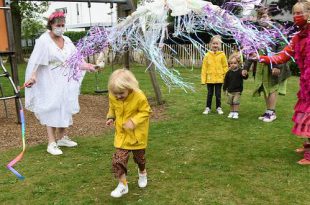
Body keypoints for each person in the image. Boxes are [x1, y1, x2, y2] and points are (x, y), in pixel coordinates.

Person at [24, 11, 95, 155]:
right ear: (51, 24)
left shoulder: (67, 40)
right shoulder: (43, 40)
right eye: (58, 25)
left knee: (65, 105)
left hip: (66, 79)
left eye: (63, 25)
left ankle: (62, 137)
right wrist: (32, 76)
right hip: (49, 79)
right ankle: (51, 142)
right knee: (52, 106)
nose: (61, 28)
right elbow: (36, 61)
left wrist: (89, 66)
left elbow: (76, 60)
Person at [258, 1, 310, 164]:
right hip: (306, 83)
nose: (295, 17)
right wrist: (262, 58)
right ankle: (308, 145)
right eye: (294, 13)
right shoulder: (297, 37)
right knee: (305, 113)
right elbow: (283, 55)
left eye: (299, 13)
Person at [106, 69, 152, 198]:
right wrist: (111, 117)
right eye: (115, 94)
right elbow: (112, 107)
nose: (118, 96)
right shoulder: (113, 95)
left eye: (121, 93)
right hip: (121, 134)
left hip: (137, 135)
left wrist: (133, 121)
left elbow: (146, 111)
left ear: (129, 87)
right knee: (118, 160)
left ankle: (142, 172)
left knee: (140, 159)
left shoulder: (139, 96)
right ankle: (123, 185)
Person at [243, 7, 291, 123]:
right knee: (265, 88)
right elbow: (252, 50)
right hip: (262, 65)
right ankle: (268, 111)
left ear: (270, 17)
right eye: (260, 17)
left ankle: (272, 112)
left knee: (272, 88)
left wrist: (276, 66)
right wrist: (245, 67)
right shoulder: (257, 31)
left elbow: (282, 49)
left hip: (274, 64)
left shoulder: (278, 30)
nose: (262, 19)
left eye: (264, 16)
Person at [201, 35, 228, 115]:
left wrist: (226, 77)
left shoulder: (222, 55)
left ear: (219, 45)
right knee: (209, 94)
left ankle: (218, 107)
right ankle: (208, 107)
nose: (215, 45)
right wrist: (203, 79)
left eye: (217, 44)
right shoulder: (207, 55)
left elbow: (225, 66)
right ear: (210, 44)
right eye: (213, 43)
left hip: (219, 78)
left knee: (218, 94)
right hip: (210, 78)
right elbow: (204, 68)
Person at [223, 54, 248, 119]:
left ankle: (236, 112)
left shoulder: (240, 71)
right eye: (231, 63)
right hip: (230, 90)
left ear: (238, 63)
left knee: (235, 101)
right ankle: (231, 112)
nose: (233, 64)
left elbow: (245, 77)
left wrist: (245, 74)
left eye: (235, 63)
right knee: (231, 102)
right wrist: (224, 88)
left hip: (237, 90)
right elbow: (226, 81)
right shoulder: (228, 72)